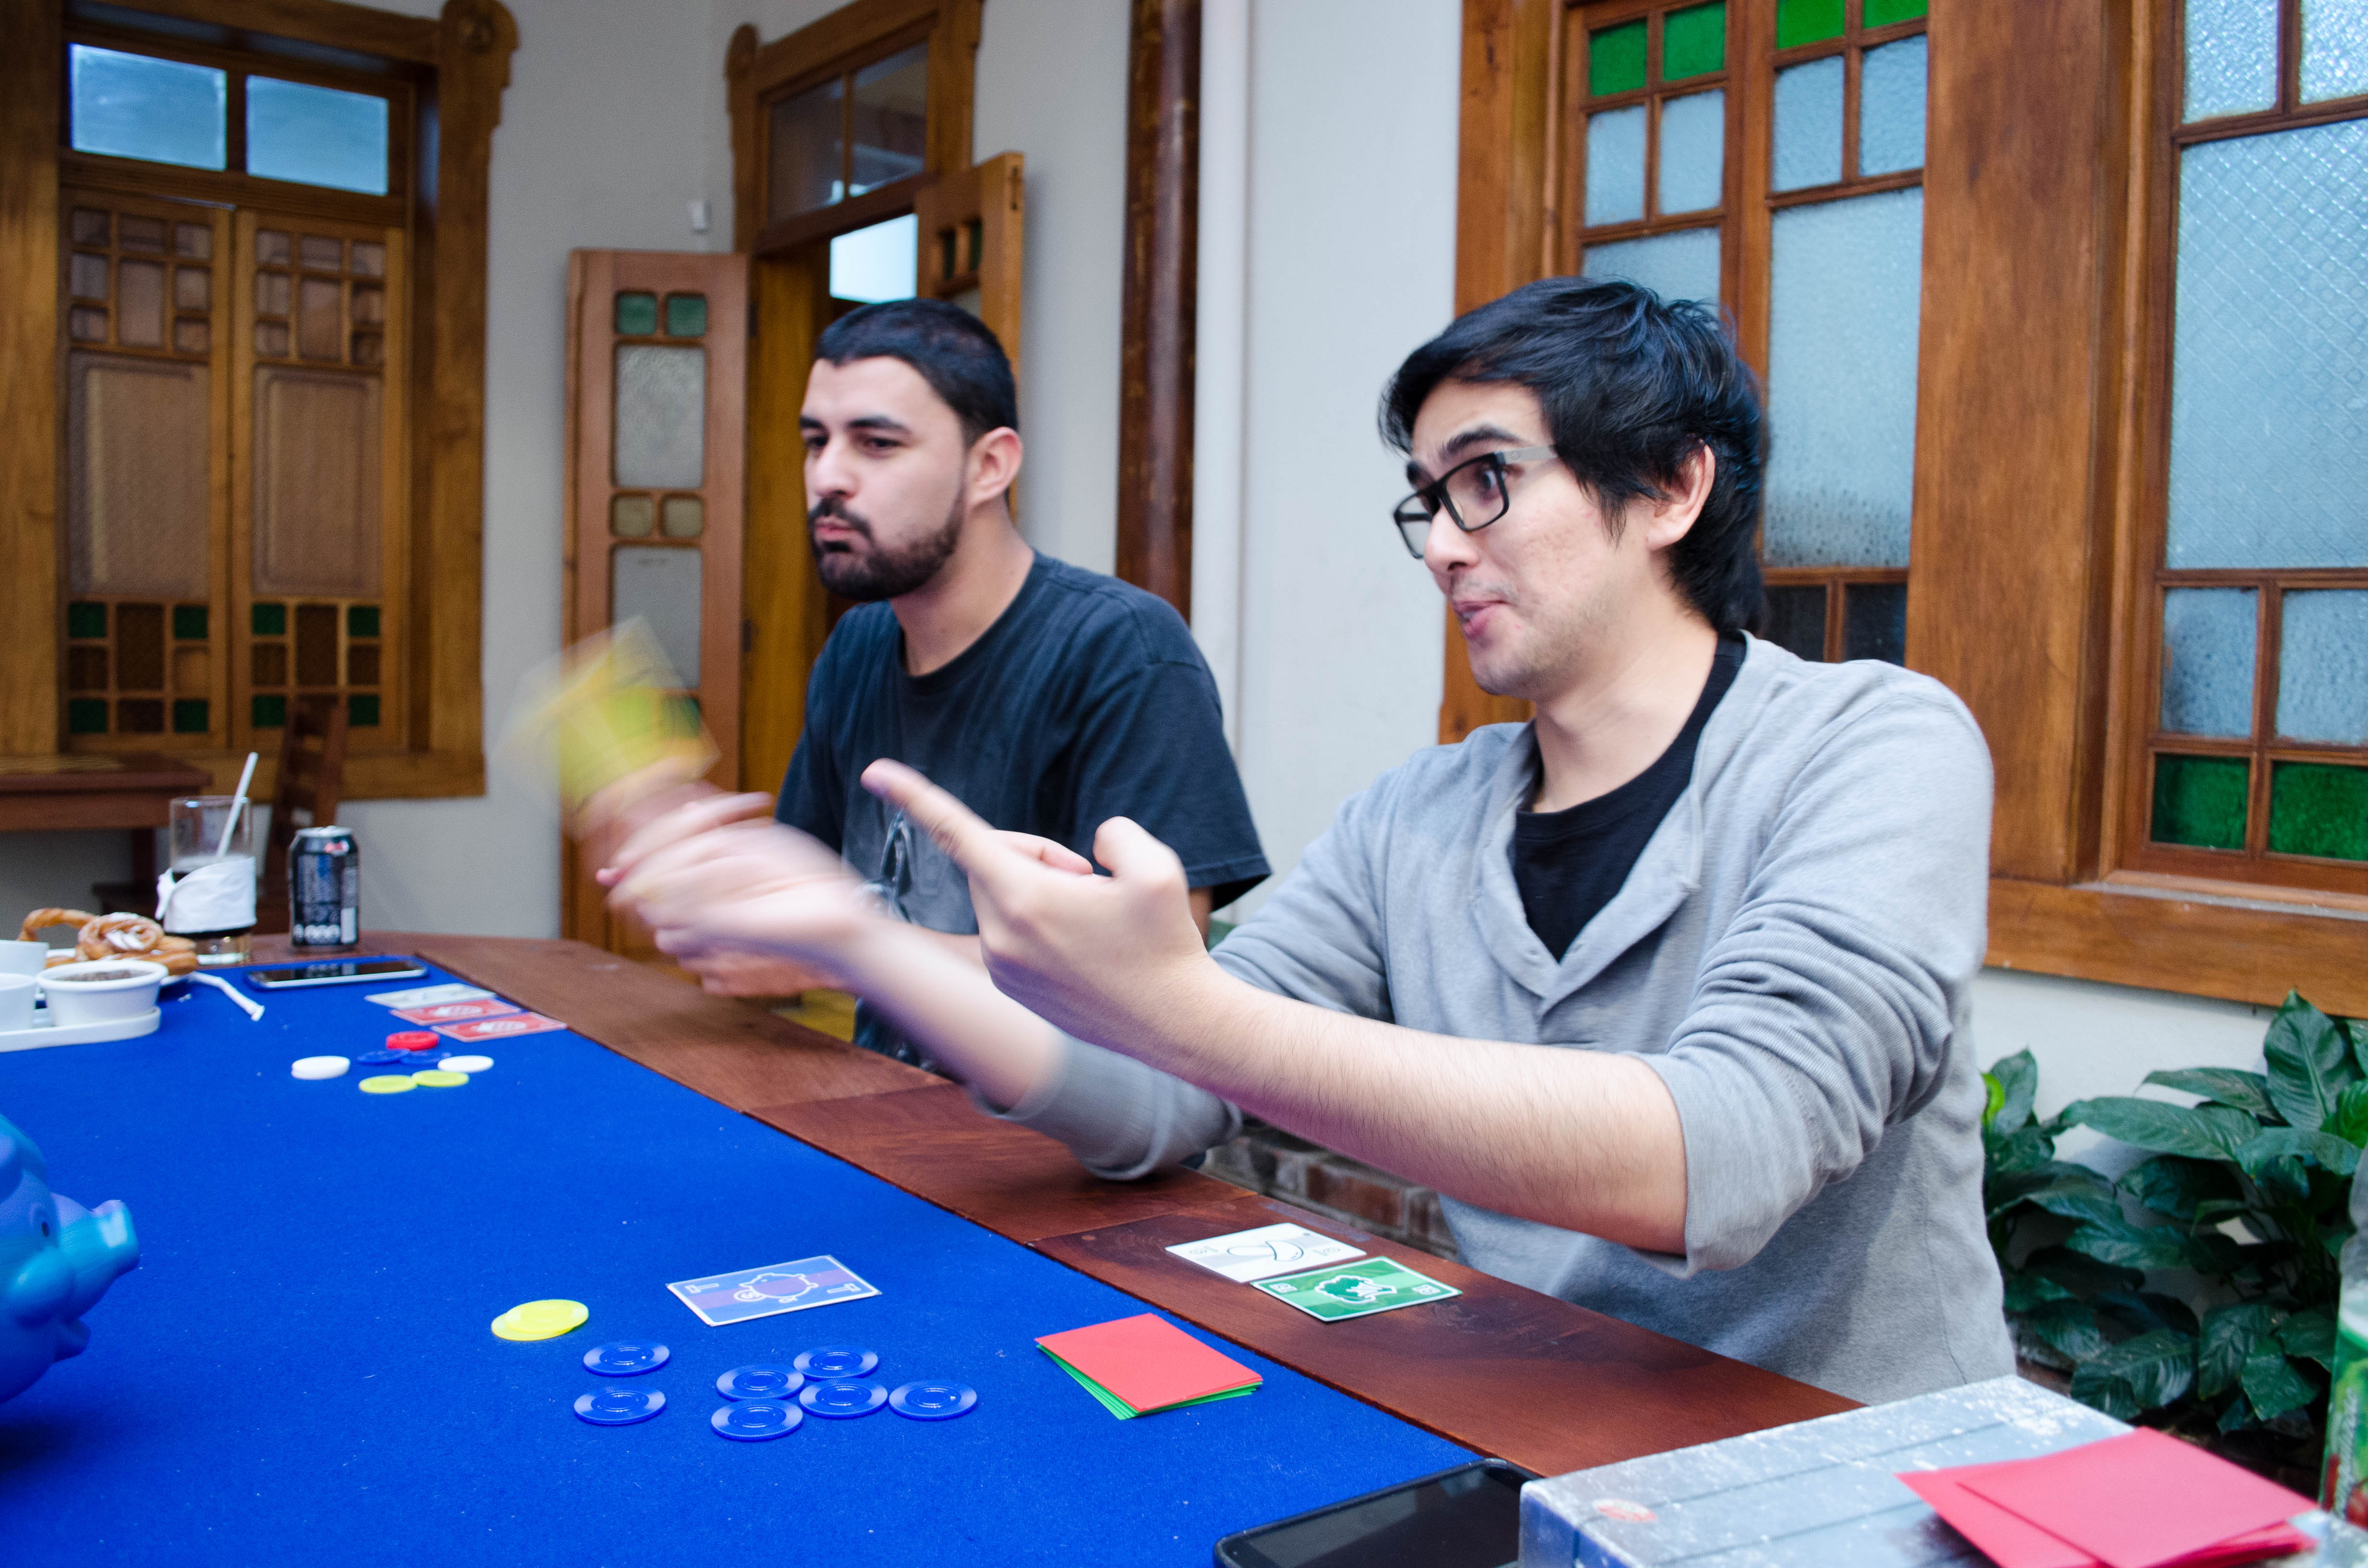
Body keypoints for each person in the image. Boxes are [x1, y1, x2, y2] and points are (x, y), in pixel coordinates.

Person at [606, 279, 2012, 1404]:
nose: (1443, 545)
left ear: (1669, 489)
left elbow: (1726, 1152)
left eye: (1486, 480)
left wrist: (1184, 1010)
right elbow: (1148, 1109)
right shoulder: (1417, 817)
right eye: (1428, 498)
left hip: (1851, 1484)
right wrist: (854, 937)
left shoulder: (1874, 744)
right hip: (1546, 1437)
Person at [679, 298, 1268, 1068]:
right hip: (883, 1106)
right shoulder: (857, 646)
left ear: (990, 466)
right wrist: (707, 881)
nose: (827, 477)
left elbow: (1152, 977)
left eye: (877, 444)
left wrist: (843, 953)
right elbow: (802, 903)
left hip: (1067, 1135)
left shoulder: (1123, 649)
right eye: (816, 441)